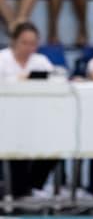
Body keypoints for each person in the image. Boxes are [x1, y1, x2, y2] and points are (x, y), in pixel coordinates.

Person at [0, 22, 61, 198]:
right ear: (14, 41)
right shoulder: (2, 59)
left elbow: (56, 80)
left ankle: (31, 186)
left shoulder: (40, 61)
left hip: (37, 121)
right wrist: (20, 79)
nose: (28, 48)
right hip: (7, 122)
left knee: (56, 146)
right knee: (16, 146)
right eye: (24, 43)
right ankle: (18, 191)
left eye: (33, 43)